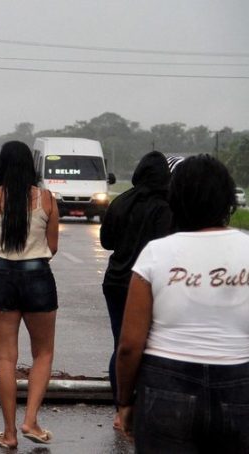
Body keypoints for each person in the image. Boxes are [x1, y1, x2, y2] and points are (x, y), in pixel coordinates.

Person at [116, 154, 249, 452]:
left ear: (177, 198)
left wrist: (125, 401)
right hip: (240, 383)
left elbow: (129, 345)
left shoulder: (157, 253)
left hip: (166, 386)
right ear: (227, 200)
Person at [0, 141, 59, 449]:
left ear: (2, 164)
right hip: (38, 276)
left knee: (6, 358)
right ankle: (31, 421)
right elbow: (53, 247)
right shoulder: (47, 199)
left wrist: (3, 266)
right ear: (30, 165)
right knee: (43, 353)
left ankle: (9, 433)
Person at [99, 150, 172, 430]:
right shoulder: (167, 207)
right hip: (151, 285)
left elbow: (106, 242)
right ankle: (146, 407)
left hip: (116, 282)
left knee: (122, 345)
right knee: (152, 347)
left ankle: (121, 410)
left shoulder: (120, 202)